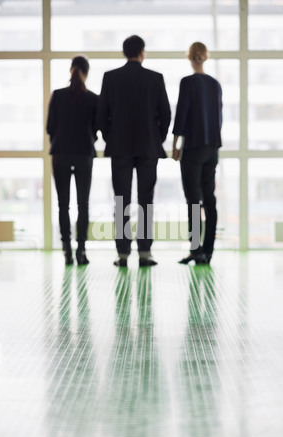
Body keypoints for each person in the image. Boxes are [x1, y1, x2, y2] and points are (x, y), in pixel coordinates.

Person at [99, 35, 171, 268]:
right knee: (146, 201)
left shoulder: (110, 78)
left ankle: (122, 253)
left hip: (120, 147)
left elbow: (102, 114)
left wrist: (110, 137)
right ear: (142, 52)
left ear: (124, 52)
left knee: (121, 200)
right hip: (148, 146)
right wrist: (156, 138)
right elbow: (166, 113)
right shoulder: (155, 78)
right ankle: (145, 252)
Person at [173, 42, 223, 266]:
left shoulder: (187, 82)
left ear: (190, 57)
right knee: (210, 200)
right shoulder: (215, 84)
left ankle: (196, 250)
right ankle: (208, 252)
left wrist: (176, 144)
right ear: (205, 57)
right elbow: (218, 117)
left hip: (192, 148)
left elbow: (181, 114)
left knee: (194, 201)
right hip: (211, 148)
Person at [47, 56, 99, 266]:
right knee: (83, 204)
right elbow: (97, 128)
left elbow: (50, 127)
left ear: (71, 70)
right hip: (84, 153)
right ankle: (81, 251)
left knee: (63, 205)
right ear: (86, 73)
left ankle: (67, 251)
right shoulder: (93, 98)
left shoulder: (58, 95)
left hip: (60, 153)